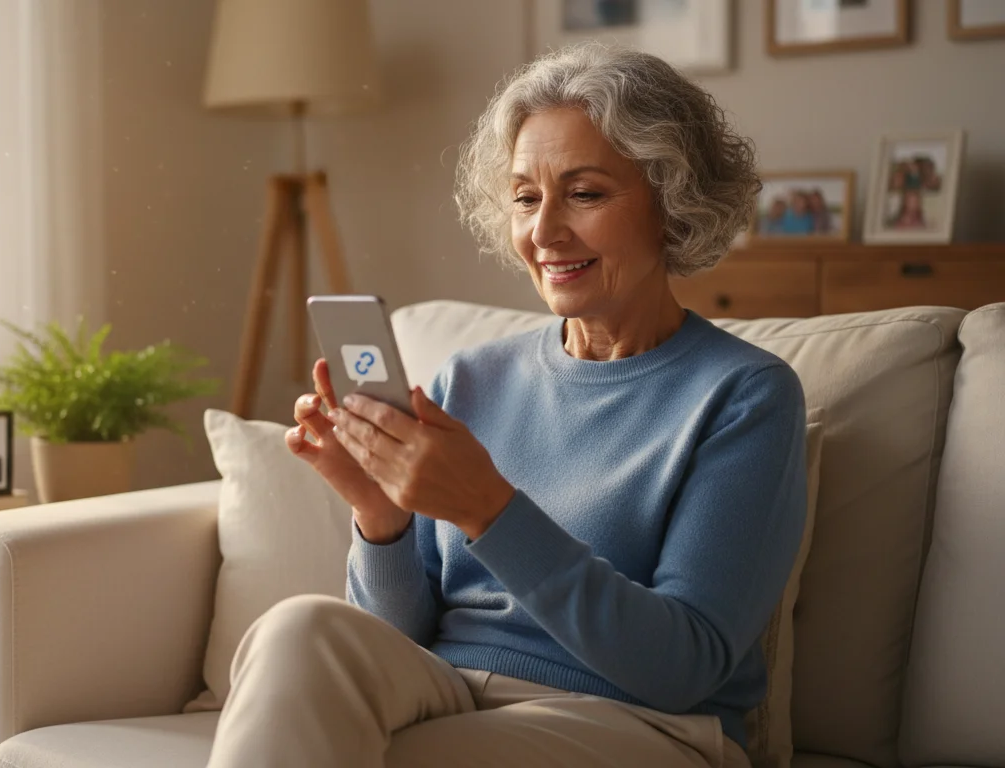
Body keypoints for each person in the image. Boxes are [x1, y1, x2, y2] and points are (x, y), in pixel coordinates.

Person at [206, 43, 807, 768]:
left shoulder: (743, 395)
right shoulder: (474, 377)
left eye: (584, 194)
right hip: (449, 689)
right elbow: (397, 637)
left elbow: (681, 668)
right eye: (526, 197)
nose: (544, 231)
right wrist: (381, 518)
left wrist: (489, 508)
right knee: (297, 628)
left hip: (640, 724)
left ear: (672, 201)